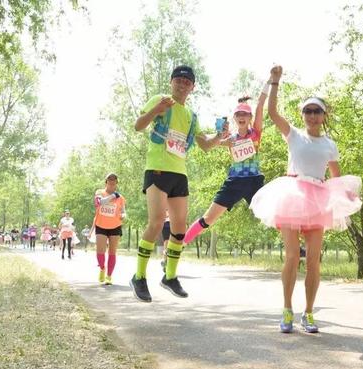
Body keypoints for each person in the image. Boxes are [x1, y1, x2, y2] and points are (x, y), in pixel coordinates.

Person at [250, 65, 362, 334]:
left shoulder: (329, 145)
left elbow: (335, 176)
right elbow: (273, 113)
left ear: (324, 116)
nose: (312, 115)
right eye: (308, 111)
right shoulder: (294, 135)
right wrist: (275, 82)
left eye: (317, 111)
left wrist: (347, 194)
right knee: (291, 256)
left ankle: (308, 313)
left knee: (313, 260)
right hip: (292, 194)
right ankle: (287, 310)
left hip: (318, 199)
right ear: (303, 115)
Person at [129, 65, 228, 303]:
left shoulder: (191, 116)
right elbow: (138, 125)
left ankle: (170, 277)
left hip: (179, 175)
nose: (182, 84)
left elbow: (205, 145)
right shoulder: (161, 100)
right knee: (154, 223)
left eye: (187, 82)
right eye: (179, 80)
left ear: (192, 87)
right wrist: (157, 110)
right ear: (171, 82)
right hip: (158, 170)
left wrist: (219, 137)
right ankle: (139, 276)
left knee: (180, 230)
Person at [183, 84, 268, 245]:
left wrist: (271, 80)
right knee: (207, 219)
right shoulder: (230, 139)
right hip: (234, 183)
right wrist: (218, 137)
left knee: (272, 214)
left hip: (254, 182)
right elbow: (206, 140)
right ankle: (176, 248)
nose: (242, 117)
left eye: (245, 114)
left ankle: (298, 248)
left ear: (250, 118)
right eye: (238, 114)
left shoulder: (256, 133)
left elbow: (261, 104)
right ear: (234, 118)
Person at [94, 173, 127, 285]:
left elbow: (123, 211)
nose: (112, 181)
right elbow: (98, 203)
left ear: (116, 183)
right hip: (101, 225)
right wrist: (112, 196)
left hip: (115, 226)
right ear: (106, 182)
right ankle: (102, 268)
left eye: (114, 180)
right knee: (100, 252)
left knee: (112, 252)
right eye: (109, 179)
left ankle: (109, 276)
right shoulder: (100, 192)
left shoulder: (121, 198)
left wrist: (123, 215)